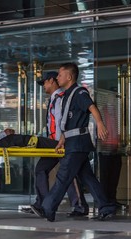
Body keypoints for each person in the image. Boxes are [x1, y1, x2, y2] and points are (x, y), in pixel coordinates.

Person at [31, 62, 116, 222]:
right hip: (72, 142)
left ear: (69, 77)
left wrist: (99, 123)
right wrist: (61, 140)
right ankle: (107, 207)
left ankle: (48, 208)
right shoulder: (67, 96)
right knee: (87, 178)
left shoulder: (79, 93)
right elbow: (66, 124)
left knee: (63, 177)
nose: (57, 78)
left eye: (60, 75)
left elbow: (91, 107)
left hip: (78, 144)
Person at [23, 71, 89, 217]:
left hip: (59, 142)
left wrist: (62, 141)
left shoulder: (60, 99)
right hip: (53, 143)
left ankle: (79, 206)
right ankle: (43, 203)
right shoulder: (54, 99)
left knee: (68, 174)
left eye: (45, 82)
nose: (44, 86)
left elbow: (62, 122)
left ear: (52, 81)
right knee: (41, 169)